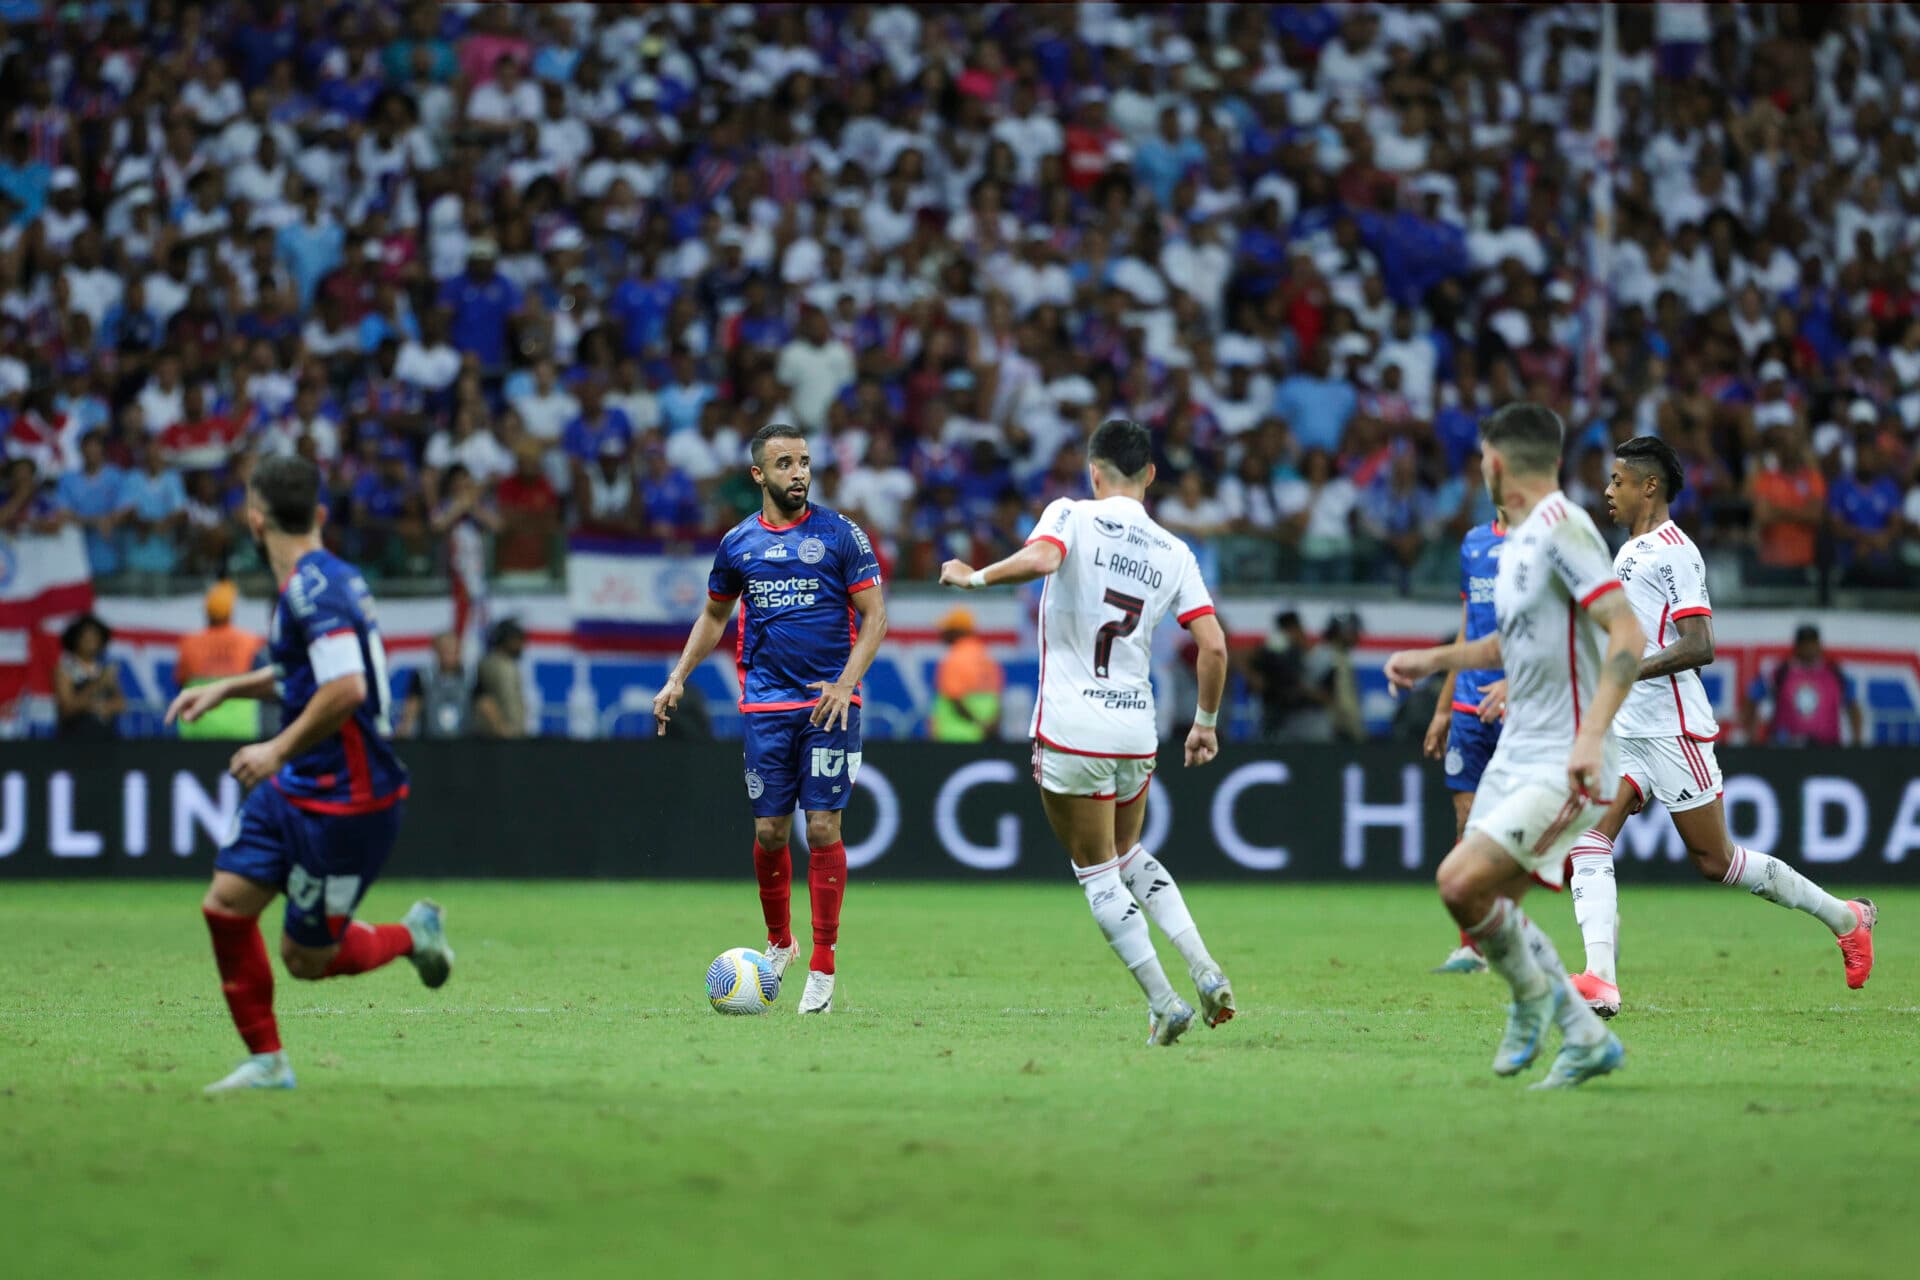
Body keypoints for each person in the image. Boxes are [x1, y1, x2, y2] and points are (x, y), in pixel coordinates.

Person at [938, 418, 1235, 1046]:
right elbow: (1212, 645)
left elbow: (1044, 558)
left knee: (1096, 870)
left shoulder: (1070, 514)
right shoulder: (1174, 551)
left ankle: (1165, 1001)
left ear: (1094, 472)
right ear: (1152, 475)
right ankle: (1204, 966)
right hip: (1136, 730)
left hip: (1073, 729)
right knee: (1129, 854)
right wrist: (1205, 723)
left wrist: (977, 578)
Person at [1555, 439, 1877, 1019]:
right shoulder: (1629, 550)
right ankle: (1600, 978)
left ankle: (1845, 918)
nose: (1607, 490)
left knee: (1717, 862)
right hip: (1630, 729)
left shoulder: (1676, 552)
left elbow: (1700, 644)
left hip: (1674, 729)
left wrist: (1630, 670)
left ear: (1648, 487)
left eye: (1618, 480)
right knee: (1588, 840)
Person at [164, 453, 452, 1094]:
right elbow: (307, 672)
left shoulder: (313, 589)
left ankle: (413, 935)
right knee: (226, 906)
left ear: (254, 517)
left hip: (350, 801)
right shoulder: (315, 581)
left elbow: (346, 688)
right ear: (319, 514)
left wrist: (272, 751)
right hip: (298, 787)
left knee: (306, 959)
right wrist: (228, 689)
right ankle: (268, 1062)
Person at [1385, 403, 1643, 1089]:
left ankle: (1534, 1002)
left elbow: (1626, 633)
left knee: (1460, 882)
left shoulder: (1565, 529)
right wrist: (1434, 660)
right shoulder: (1519, 542)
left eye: (1480, 462)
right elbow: (1511, 644)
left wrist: (1591, 736)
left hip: (1565, 759)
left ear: (1498, 464)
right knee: (1479, 903)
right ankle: (1584, 1036)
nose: (1480, 472)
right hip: (1516, 753)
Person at [652, 423, 888, 1015]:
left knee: (825, 828)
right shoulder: (737, 544)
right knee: (770, 833)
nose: (800, 473)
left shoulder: (841, 534)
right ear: (759, 475)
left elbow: (876, 615)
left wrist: (846, 682)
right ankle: (779, 943)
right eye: (785, 464)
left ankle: (824, 968)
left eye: (805, 461)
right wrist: (677, 676)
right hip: (765, 704)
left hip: (829, 703)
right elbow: (713, 616)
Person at [1424, 514, 1508, 975]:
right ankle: (1472, 949)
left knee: (1537, 831)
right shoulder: (1473, 542)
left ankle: (1594, 897)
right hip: (1468, 707)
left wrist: (1516, 681)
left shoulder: (1544, 538)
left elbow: (1559, 631)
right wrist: (1442, 709)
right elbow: (1467, 630)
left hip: (1524, 705)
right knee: (1468, 821)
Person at [175, 580, 267, 740]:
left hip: (197, 726)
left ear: (206, 611)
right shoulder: (250, 642)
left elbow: (180, 681)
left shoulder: (189, 643)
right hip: (240, 728)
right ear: (231, 611)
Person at [1746, 624, 1863, 748]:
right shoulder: (1779, 672)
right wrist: (1752, 738)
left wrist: (1856, 741)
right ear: (1797, 646)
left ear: (1819, 645)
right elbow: (1751, 699)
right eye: (1805, 644)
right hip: (1785, 748)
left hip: (1827, 748)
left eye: (1812, 643)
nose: (1809, 648)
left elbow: (1853, 707)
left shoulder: (1835, 673)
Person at [928, 607, 1004, 742]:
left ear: (957, 632)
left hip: (954, 736)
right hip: (984, 737)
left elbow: (955, 699)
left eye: (947, 630)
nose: (942, 634)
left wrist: (977, 723)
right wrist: (986, 726)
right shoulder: (987, 657)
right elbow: (996, 699)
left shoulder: (954, 658)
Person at [55, 614, 126, 740]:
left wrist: (106, 707)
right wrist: (97, 685)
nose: (91, 641)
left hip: (105, 740)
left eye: (95, 637)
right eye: (86, 637)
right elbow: (67, 708)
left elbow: (121, 704)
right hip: (75, 741)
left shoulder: (104, 670)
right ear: (75, 640)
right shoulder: (65, 670)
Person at [398, 632, 472, 739]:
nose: (450, 655)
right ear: (436, 651)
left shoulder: (471, 677)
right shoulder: (424, 676)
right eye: (446, 651)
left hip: (465, 740)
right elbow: (413, 703)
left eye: (454, 650)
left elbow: (485, 704)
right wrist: (405, 726)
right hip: (431, 741)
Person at [473, 618, 527, 738]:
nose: (521, 645)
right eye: (517, 640)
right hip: (502, 734)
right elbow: (508, 699)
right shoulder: (500, 666)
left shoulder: (499, 663)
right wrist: (507, 727)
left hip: (505, 732)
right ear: (505, 640)